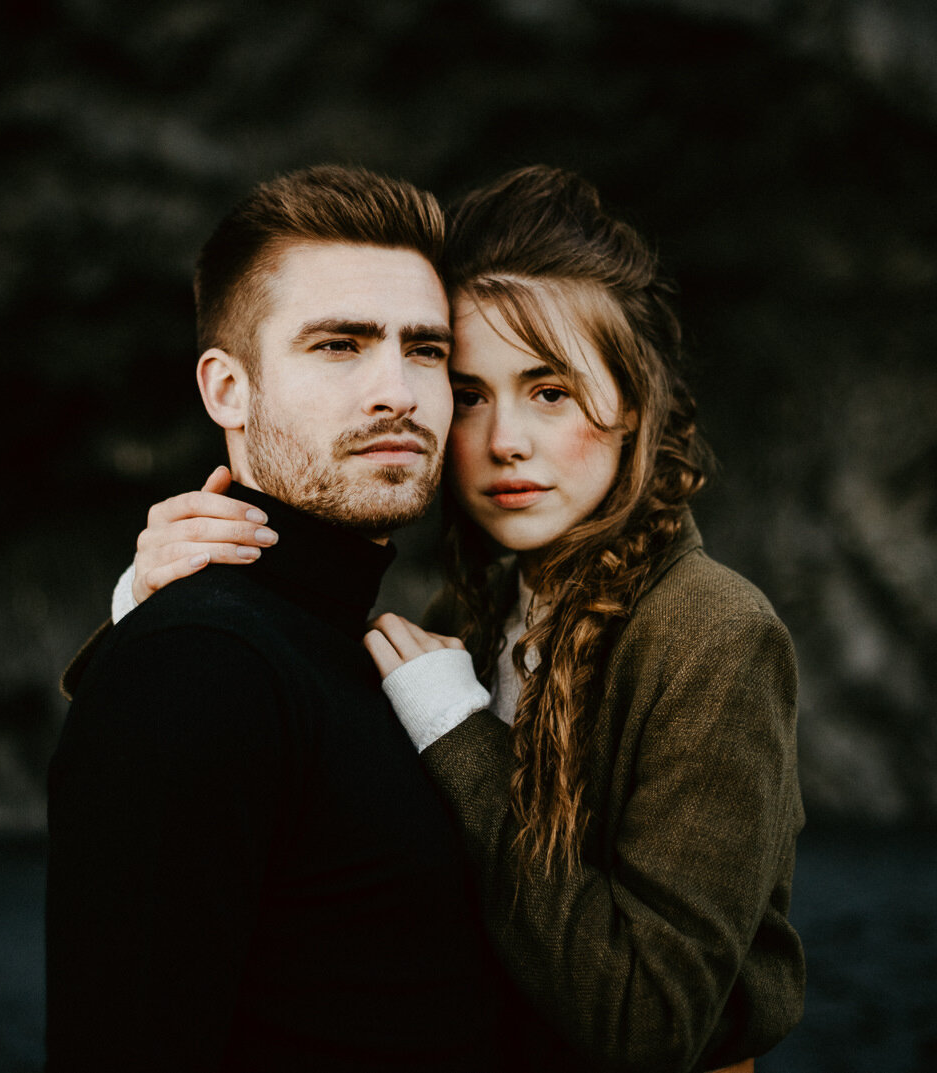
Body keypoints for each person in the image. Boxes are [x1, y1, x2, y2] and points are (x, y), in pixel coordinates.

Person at [119, 167, 806, 1072]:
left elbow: (652, 1020)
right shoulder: (464, 620)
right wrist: (151, 607)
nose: (503, 440)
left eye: (550, 391)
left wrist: (460, 734)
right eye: (472, 394)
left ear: (633, 405)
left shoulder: (712, 634)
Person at [45, 166, 502, 1070]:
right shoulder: (200, 663)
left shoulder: (367, 653)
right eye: (340, 344)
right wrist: (149, 629)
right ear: (228, 390)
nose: (399, 392)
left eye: (426, 349)